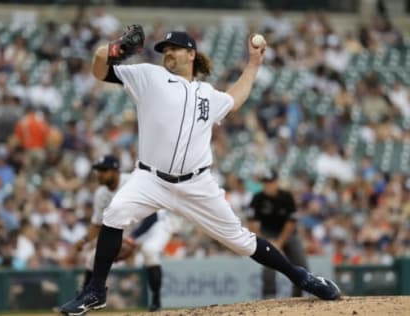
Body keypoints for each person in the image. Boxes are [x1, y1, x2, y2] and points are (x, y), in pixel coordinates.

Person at [59, 25, 340, 316]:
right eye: (164, 50)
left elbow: (235, 99)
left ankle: (303, 278)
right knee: (115, 212)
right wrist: (116, 49)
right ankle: (95, 291)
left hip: (197, 184)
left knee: (242, 242)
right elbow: (98, 67)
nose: (167, 53)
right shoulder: (148, 76)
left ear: (191, 54)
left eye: (173, 49)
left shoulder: (207, 94)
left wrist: (254, 64)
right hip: (150, 178)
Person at [75, 154, 179, 312]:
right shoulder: (100, 194)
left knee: (149, 251)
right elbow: (97, 224)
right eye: (98, 170)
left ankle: (156, 303)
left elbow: (151, 216)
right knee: (93, 258)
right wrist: (84, 240)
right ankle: (83, 299)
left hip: (156, 224)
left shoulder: (131, 181)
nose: (99, 174)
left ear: (115, 170)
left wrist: (131, 241)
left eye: (104, 170)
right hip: (131, 228)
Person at [247, 169, 308, 298]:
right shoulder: (258, 198)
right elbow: (251, 223)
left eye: (270, 182)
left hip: (288, 235)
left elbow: (291, 222)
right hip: (268, 234)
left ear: (276, 182)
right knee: (268, 266)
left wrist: (280, 242)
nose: (267, 186)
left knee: (301, 264)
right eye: (265, 183)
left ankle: (298, 297)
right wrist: (264, 241)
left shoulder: (286, 197)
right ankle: (268, 299)